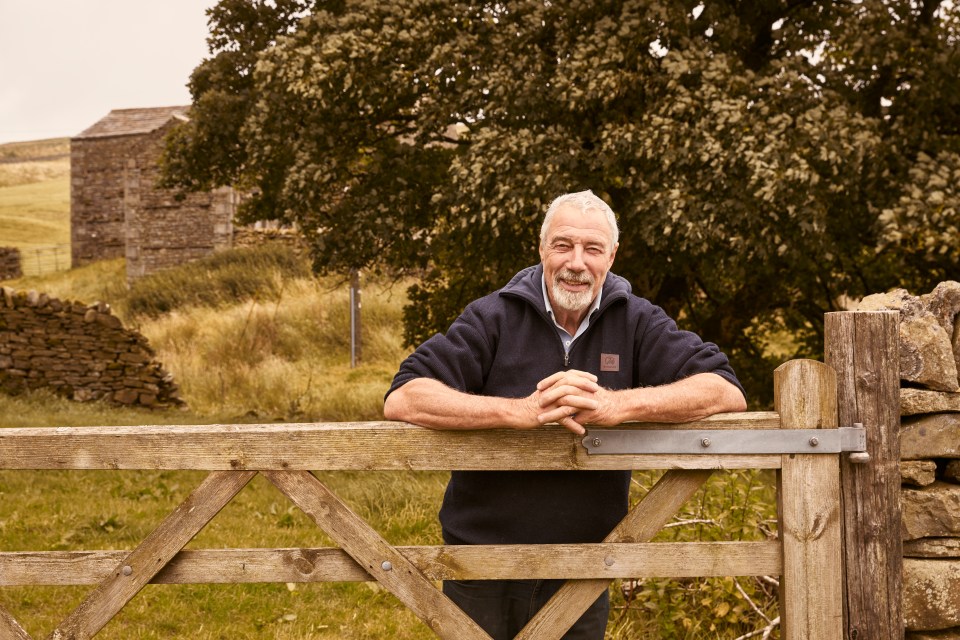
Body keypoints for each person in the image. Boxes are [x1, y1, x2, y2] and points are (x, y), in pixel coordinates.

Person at [383, 190, 747, 640]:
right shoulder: (493, 316)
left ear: (611, 256)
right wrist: (521, 411)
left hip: (584, 563)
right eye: (563, 245)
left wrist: (618, 405)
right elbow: (405, 396)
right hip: (481, 560)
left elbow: (724, 388)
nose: (576, 262)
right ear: (541, 249)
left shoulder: (635, 320)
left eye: (592, 249)